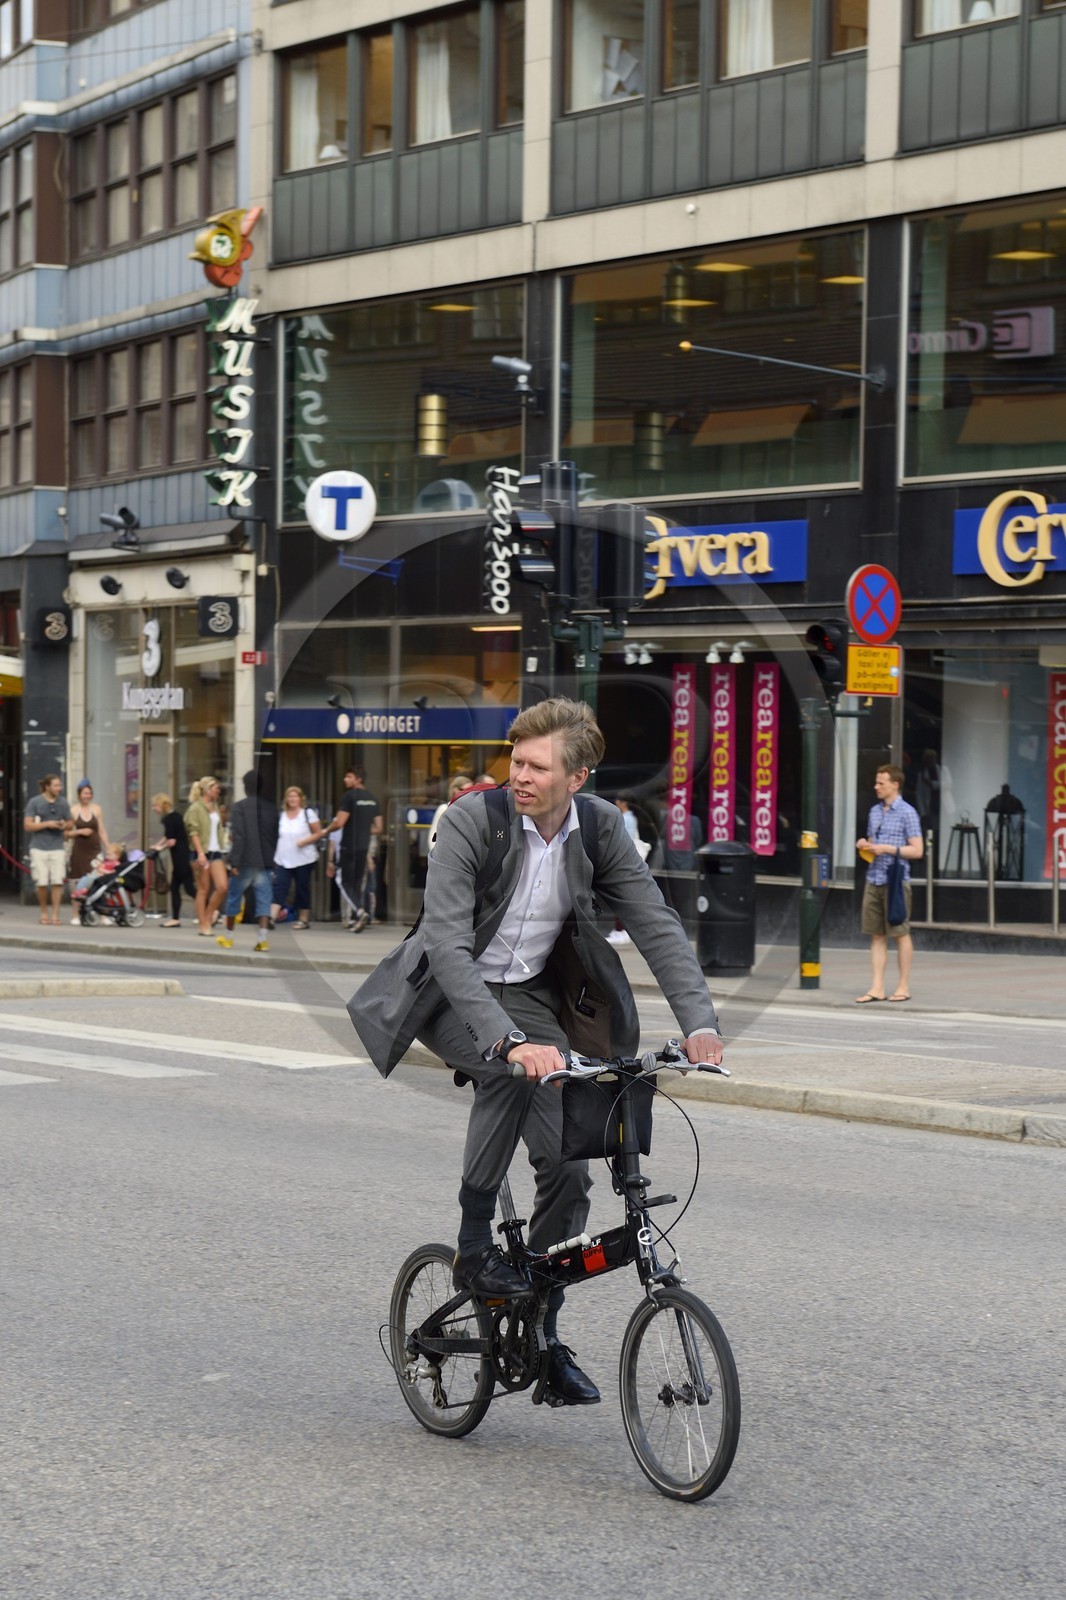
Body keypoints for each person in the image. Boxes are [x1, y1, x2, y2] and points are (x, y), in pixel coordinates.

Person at [349, 697, 724, 1406]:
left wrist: (699, 1023)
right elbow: (450, 946)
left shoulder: (602, 829)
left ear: (576, 778)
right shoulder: (472, 820)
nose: (519, 774)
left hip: (529, 995)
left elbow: (656, 926)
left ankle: (538, 1321)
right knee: (508, 1071)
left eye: (536, 766)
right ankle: (471, 1246)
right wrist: (509, 1040)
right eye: (515, 760)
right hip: (451, 994)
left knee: (573, 1168)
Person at [855, 763, 924, 1005]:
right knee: (876, 934)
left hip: (896, 880)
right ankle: (877, 987)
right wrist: (865, 844)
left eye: (881, 783)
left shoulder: (907, 812)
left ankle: (903, 986)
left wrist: (887, 849)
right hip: (874, 877)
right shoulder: (875, 812)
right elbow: (874, 841)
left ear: (895, 784)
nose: (876, 787)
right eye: (876, 782)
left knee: (900, 933)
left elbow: (917, 850)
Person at [216, 770, 279, 953]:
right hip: (265, 860)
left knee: (234, 898)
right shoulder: (271, 808)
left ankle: (228, 937)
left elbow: (239, 836)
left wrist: (234, 862)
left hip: (244, 860)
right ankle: (263, 939)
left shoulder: (239, 807)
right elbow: (275, 836)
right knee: (264, 900)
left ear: (245, 786)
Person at [318, 766, 382, 932]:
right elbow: (378, 827)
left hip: (348, 846)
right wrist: (362, 829)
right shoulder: (373, 798)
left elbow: (339, 822)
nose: (345, 780)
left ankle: (360, 912)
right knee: (356, 882)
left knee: (344, 882)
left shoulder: (349, 796)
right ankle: (357, 916)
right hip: (363, 846)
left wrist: (325, 830)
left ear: (358, 779)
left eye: (348, 776)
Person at [24, 774, 72, 926]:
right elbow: (28, 825)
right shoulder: (35, 802)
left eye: (60, 785)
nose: (59, 788)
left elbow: (71, 822)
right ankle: (44, 911)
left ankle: (55, 914)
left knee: (58, 881)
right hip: (38, 847)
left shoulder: (63, 803)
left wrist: (64, 826)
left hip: (57, 846)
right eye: (56, 785)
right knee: (42, 882)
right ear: (47, 786)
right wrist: (47, 824)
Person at [272, 785, 321, 929]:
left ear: (301, 799)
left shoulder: (307, 813)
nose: (292, 799)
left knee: (302, 888)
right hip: (283, 858)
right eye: (290, 796)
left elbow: (318, 833)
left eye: (295, 796)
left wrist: (305, 841)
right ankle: (271, 918)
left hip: (304, 858)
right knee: (279, 887)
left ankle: (303, 919)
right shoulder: (282, 815)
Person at [185, 776, 227, 936]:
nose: (219, 791)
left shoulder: (214, 806)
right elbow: (193, 832)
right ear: (208, 790)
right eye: (217, 788)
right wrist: (200, 853)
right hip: (200, 851)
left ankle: (208, 917)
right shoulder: (196, 808)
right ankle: (203, 924)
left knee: (222, 887)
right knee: (203, 889)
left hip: (215, 851)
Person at [67, 780, 113, 924]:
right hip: (79, 850)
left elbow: (102, 830)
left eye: (89, 793)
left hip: (94, 849)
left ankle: (103, 914)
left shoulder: (97, 809)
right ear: (79, 795)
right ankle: (75, 914)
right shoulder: (73, 810)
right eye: (85, 793)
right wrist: (79, 831)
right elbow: (66, 833)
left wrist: (109, 848)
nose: (87, 796)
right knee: (77, 881)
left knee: (99, 879)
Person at [150, 793, 195, 927]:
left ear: (162, 806)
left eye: (155, 806)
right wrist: (158, 844)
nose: (153, 808)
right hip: (183, 856)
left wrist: (160, 848)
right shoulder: (176, 816)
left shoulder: (168, 819)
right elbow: (169, 836)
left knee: (187, 889)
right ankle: (175, 918)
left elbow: (171, 841)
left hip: (179, 857)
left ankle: (211, 909)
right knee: (178, 887)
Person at [428, 772, 475, 851]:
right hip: (445, 854)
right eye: (462, 789)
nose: (466, 793)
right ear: (454, 789)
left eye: (470, 791)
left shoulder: (474, 809)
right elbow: (433, 836)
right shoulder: (444, 808)